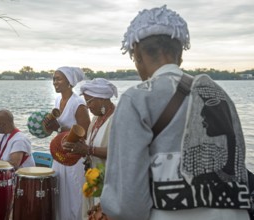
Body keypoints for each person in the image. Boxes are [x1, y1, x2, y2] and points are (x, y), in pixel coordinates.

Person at [100, 5, 250, 220]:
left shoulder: (138, 97)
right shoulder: (220, 93)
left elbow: (127, 203)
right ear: (180, 56)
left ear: (137, 56)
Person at [62, 78, 118, 219]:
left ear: (103, 99)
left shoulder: (117, 119)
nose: (87, 106)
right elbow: (89, 147)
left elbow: (120, 153)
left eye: (89, 101)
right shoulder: (96, 119)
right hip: (94, 181)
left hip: (110, 184)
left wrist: (88, 150)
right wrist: (76, 147)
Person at [44, 66, 91, 220]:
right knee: (60, 193)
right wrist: (48, 126)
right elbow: (58, 128)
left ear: (69, 82)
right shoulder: (58, 100)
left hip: (74, 158)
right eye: (53, 79)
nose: (54, 82)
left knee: (74, 194)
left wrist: (61, 128)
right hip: (60, 154)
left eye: (58, 78)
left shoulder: (78, 103)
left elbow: (86, 131)